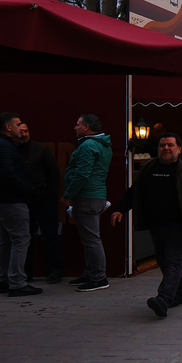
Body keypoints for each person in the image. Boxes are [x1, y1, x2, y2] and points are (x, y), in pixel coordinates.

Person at [110, 133, 182, 318]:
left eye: (170, 145)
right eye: (162, 145)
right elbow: (135, 191)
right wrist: (121, 209)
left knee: (173, 262)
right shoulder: (149, 167)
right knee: (163, 261)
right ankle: (179, 293)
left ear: (179, 149)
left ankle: (163, 299)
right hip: (156, 224)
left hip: (179, 225)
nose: (166, 148)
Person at [0, 112, 40, 297]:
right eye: (17, 125)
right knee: (20, 239)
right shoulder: (4, 147)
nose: (20, 129)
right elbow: (8, 175)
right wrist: (27, 190)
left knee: (5, 239)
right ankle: (17, 282)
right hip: (10, 200)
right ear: (8, 127)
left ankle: (6, 280)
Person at [63, 113, 113, 292]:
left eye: (78, 124)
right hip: (96, 195)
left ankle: (99, 277)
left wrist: (68, 195)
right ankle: (91, 273)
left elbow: (82, 174)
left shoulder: (88, 145)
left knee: (91, 239)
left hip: (87, 197)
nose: (75, 127)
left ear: (86, 127)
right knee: (89, 238)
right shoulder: (102, 144)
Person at [17, 122, 64, 282]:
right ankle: (26, 271)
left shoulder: (40, 149)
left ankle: (56, 270)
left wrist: (51, 195)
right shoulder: (11, 150)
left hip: (43, 199)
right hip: (23, 200)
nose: (24, 134)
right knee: (25, 237)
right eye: (21, 131)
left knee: (50, 235)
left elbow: (53, 172)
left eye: (26, 131)